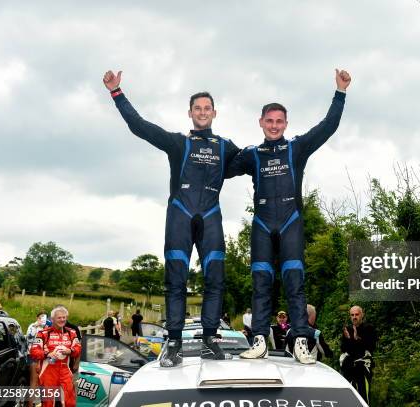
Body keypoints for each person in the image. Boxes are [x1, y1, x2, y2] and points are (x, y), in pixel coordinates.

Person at [103, 70, 240, 365]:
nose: (202, 112)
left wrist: (284, 150)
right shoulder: (178, 142)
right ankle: (174, 341)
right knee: (175, 281)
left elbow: (255, 162)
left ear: (214, 112)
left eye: (207, 108)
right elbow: (140, 127)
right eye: (197, 108)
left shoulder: (225, 147)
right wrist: (117, 93)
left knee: (215, 280)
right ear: (190, 113)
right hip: (179, 214)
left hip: (211, 216)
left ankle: (209, 339)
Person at [227, 69, 351, 363]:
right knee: (261, 283)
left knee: (295, 282)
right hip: (261, 224)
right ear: (261, 123)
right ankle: (258, 340)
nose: (274, 125)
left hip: (290, 221)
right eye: (269, 121)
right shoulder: (252, 153)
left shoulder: (296, 147)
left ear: (286, 123)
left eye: (279, 121)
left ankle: (300, 341)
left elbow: (328, 126)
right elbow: (221, 166)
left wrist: (340, 92)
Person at [30, 305, 81, 407]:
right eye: (59, 317)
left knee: (69, 402)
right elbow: (34, 351)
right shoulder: (43, 333)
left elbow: (78, 348)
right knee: (48, 403)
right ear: (52, 319)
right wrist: (47, 354)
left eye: (64, 317)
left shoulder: (72, 333)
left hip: (65, 371)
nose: (62, 320)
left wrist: (70, 351)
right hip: (48, 371)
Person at [340, 305, 377, 404]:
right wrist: (349, 339)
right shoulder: (348, 329)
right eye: (352, 315)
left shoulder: (369, 328)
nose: (354, 317)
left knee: (363, 396)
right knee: (348, 395)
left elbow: (371, 347)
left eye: (356, 314)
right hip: (349, 367)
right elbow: (343, 349)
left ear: (362, 315)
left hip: (363, 368)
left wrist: (357, 339)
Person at [26, 311, 48, 407]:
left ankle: (43, 403)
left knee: (43, 382)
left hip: (44, 357)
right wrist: (37, 326)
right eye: (40, 318)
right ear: (37, 318)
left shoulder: (47, 328)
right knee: (33, 382)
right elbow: (29, 338)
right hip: (33, 356)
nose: (42, 320)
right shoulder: (32, 326)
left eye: (44, 318)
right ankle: (30, 404)